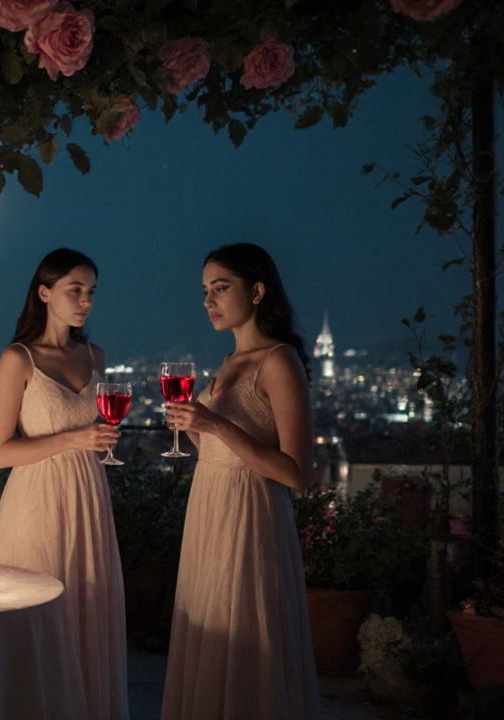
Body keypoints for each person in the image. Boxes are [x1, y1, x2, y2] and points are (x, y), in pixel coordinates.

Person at [160, 243, 320, 719]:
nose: (208, 301)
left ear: (257, 291)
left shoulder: (279, 360)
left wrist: (215, 425)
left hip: (251, 516)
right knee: (210, 630)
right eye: (205, 290)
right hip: (208, 508)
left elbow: (298, 473)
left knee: (247, 630)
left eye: (221, 288)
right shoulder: (227, 364)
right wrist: (191, 432)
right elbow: (217, 450)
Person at [0, 249, 129, 720]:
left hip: (88, 495)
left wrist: (99, 437)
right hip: (37, 501)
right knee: (39, 612)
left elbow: (91, 432)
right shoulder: (18, 358)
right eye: (75, 290)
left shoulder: (94, 355)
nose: (85, 301)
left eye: (91, 292)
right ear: (45, 293)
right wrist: (76, 437)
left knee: (85, 611)